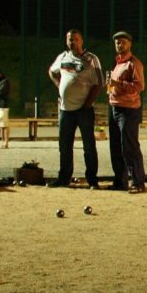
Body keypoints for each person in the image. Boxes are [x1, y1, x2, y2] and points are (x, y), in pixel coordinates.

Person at [48, 29, 103, 188]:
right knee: (64, 146)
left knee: (89, 146)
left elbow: (98, 83)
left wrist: (87, 103)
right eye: (70, 39)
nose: (73, 42)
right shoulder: (63, 57)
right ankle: (64, 178)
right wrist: (59, 84)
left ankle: (92, 180)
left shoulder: (91, 59)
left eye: (76, 39)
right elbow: (52, 71)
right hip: (65, 110)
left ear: (82, 41)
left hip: (84, 110)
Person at [106, 31, 146, 193]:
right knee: (116, 146)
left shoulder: (134, 63)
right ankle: (120, 182)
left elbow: (139, 86)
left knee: (129, 147)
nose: (119, 44)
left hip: (128, 110)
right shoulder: (117, 63)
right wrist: (110, 88)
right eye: (116, 42)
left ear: (129, 44)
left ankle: (138, 182)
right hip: (114, 107)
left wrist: (118, 83)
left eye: (122, 42)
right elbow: (114, 85)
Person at [0, 69, 12, 149]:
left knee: (4, 125)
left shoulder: (5, 81)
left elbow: (1, 92)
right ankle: (2, 141)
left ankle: (6, 142)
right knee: (0, 125)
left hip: (3, 105)